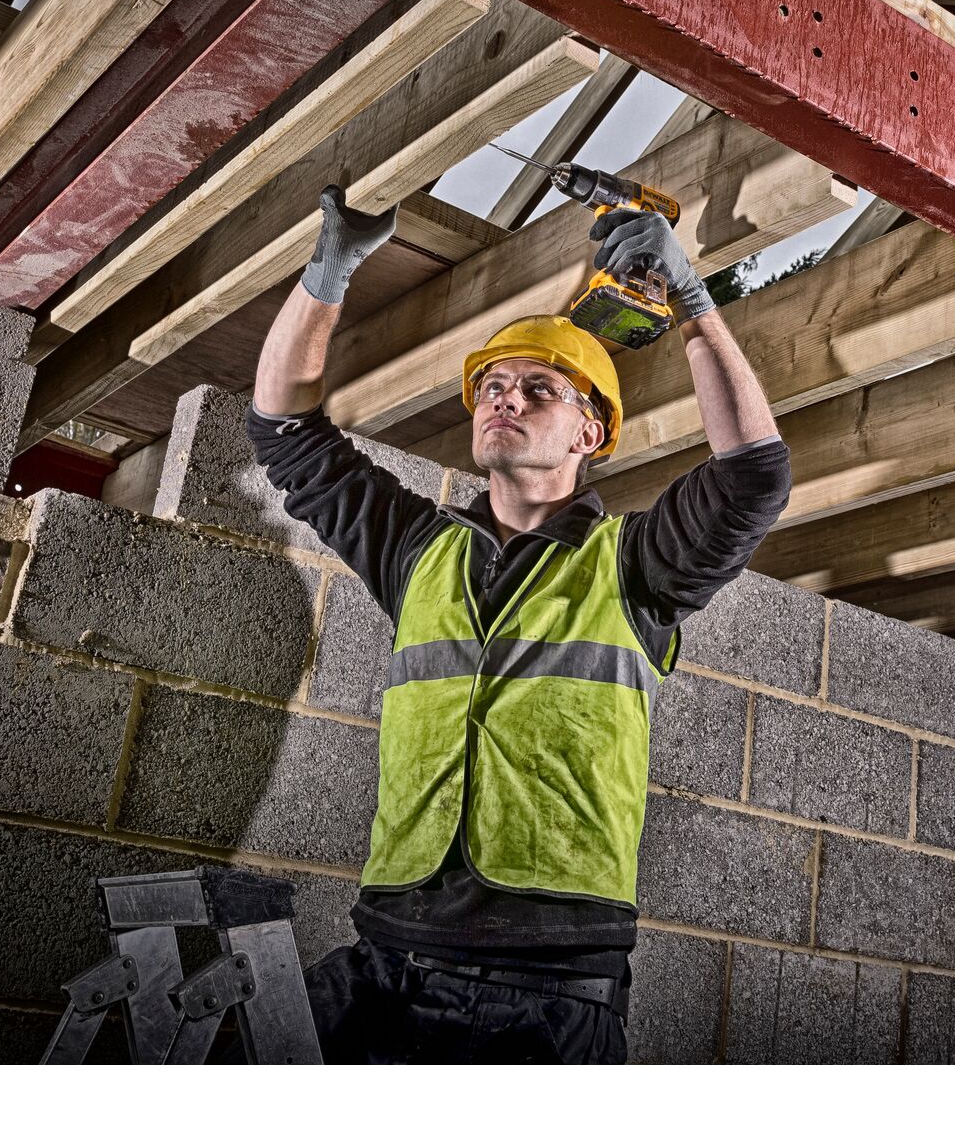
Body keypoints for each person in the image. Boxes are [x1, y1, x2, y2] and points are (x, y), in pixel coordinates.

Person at [246, 183, 791, 1062]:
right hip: (385, 951)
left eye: (538, 389)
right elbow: (283, 432)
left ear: (591, 432)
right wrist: (327, 273)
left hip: (548, 986)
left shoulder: (633, 565)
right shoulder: (418, 553)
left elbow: (754, 476)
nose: (504, 398)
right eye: (492, 386)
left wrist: (692, 302)